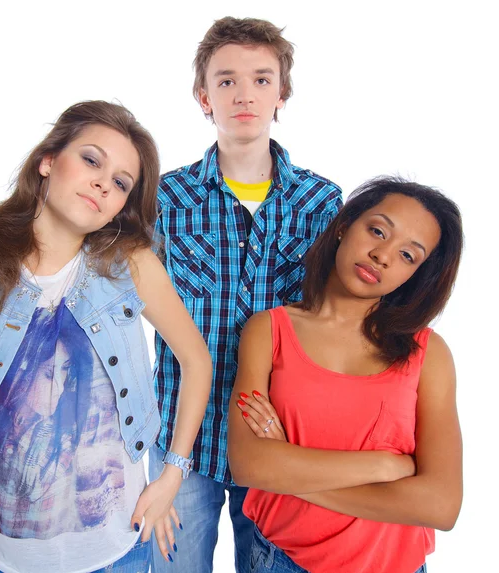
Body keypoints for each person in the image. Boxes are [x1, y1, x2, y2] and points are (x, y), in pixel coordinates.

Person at [0, 100, 212, 573]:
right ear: (48, 161)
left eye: (122, 183)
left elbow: (196, 360)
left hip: (120, 554)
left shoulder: (132, 266)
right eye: (92, 160)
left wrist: (172, 474)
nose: (105, 182)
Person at [150, 16, 342, 573]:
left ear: (282, 93)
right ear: (202, 96)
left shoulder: (319, 201)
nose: (244, 94)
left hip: (279, 438)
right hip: (181, 438)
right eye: (226, 79)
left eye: (261, 79)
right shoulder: (168, 198)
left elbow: (332, 317)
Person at [228, 177, 463, 573]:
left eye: (408, 255)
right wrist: (386, 467)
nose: (382, 255)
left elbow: (440, 506)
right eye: (377, 231)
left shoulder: (428, 353)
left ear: (416, 275)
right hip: (279, 561)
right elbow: (250, 465)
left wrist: (290, 473)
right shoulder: (268, 331)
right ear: (343, 226)